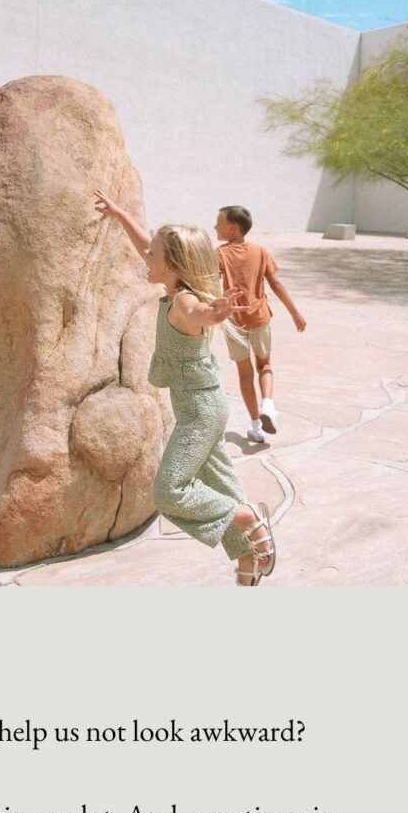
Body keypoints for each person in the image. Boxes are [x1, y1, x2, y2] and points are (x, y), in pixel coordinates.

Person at [93, 189, 277, 586]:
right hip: (201, 405)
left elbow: (201, 313)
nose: (147, 257)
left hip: (200, 411)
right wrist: (119, 212)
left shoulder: (184, 303)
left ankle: (249, 518)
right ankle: (248, 559)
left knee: (169, 492)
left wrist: (217, 311)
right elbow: (146, 242)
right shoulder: (174, 290)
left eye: (154, 256)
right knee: (222, 489)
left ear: (173, 264)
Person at [214, 205, 306, 442]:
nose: (215, 227)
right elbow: (276, 284)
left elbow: (209, 284)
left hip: (234, 321)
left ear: (232, 228)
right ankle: (268, 405)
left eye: (219, 223)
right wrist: (295, 312)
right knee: (264, 365)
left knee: (244, 373)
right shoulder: (261, 251)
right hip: (260, 317)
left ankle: (256, 425)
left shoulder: (220, 254)